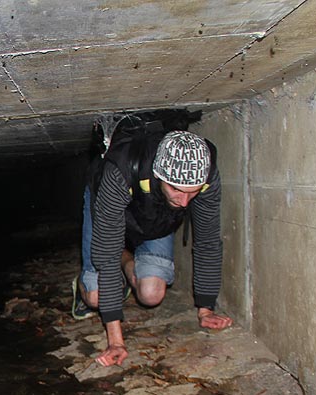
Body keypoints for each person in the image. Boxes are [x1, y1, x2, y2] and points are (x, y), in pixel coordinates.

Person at [72, 128, 233, 367]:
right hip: (108, 203)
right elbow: (106, 253)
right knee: (96, 297)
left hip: (155, 214)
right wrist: (115, 339)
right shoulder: (119, 172)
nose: (185, 202)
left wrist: (206, 309)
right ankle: (83, 286)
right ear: (159, 177)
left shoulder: (206, 177)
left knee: (151, 294)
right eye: (177, 190)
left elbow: (207, 240)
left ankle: (126, 262)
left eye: (193, 192)